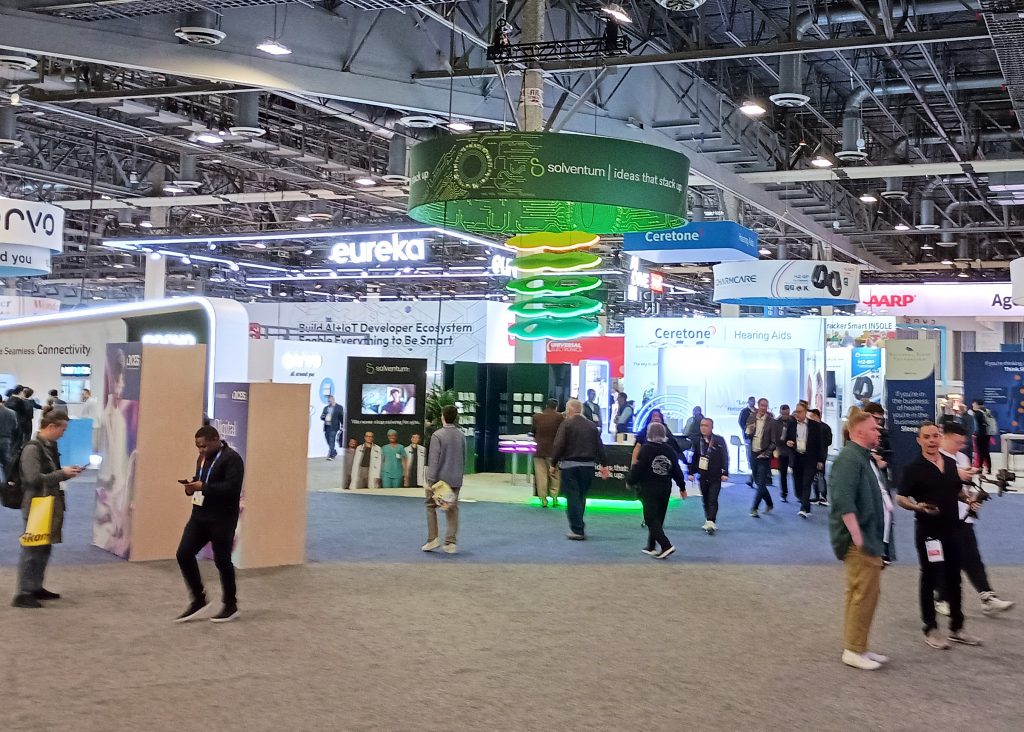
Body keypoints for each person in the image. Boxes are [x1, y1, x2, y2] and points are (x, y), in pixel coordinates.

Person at [896, 422, 981, 649]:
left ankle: (957, 627)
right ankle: (930, 628)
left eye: (935, 436)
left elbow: (956, 491)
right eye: (927, 437)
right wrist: (917, 507)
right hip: (928, 534)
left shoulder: (951, 464)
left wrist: (969, 500)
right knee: (930, 578)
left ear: (940, 438)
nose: (932, 440)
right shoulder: (913, 468)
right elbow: (901, 497)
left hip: (953, 530)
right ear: (919, 440)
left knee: (954, 579)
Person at [828, 410, 889, 670]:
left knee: (867, 593)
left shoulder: (864, 458)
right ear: (859, 432)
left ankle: (859, 646)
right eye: (874, 429)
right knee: (861, 593)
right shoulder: (849, 459)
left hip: (870, 538)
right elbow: (843, 501)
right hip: (860, 540)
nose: (878, 432)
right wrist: (857, 536)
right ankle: (853, 649)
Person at [935, 423, 1014, 616]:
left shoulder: (962, 457)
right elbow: (935, 487)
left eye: (962, 443)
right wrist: (956, 476)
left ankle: (987, 597)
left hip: (964, 517)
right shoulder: (934, 458)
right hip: (941, 518)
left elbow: (967, 487)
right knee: (947, 559)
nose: (960, 447)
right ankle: (941, 598)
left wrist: (972, 500)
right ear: (944, 437)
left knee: (973, 558)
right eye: (956, 442)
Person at [11, 412, 83, 609]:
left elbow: (49, 476)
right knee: (33, 549)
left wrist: (66, 473)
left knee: (44, 547)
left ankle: (35, 586)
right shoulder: (32, 449)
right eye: (62, 429)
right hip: (37, 505)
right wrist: (62, 473)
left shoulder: (49, 447)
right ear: (51, 426)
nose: (63, 433)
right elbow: (32, 479)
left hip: (47, 504)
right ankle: (23, 592)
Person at [174, 425, 245, 623]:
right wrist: (191, 486)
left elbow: (232, 488)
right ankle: (199, 599)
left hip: (222, 518)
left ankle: (231, 605)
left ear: (216, 439)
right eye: (198, 447)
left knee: (222, 561)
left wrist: (203, 487)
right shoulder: (203, 458)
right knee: (183, 554)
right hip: (199, 516)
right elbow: (201, 480)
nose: (201, 450)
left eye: (204, 446)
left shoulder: (232, 459)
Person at [550, 398, 610, 540]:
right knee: (581, 497)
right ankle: (579, 525)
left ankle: (577, 529)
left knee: (572, 497)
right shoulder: (591, 426)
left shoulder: (566, 425)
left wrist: (553, 464)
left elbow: (559, 445)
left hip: (570, 466)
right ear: (581, 410)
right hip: (588, 466)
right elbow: (599, 447)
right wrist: (604, 465)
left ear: (569, 410)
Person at [628, 422, 686, 558]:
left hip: (649, 488)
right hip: (665, 488)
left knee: (650, 518)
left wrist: (630, 481)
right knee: (658, 518)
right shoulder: (669, 450)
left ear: (649, 434)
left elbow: (639, 468)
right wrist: (682, 487)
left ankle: (666, 545)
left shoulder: (646, 449)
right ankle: (651, 546)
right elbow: (677, 470)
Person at [422, 405, 466, 554]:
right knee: (452, 509)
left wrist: (430, 482)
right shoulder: (461, 435)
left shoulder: (438, 435)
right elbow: (464, 458)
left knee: (430, 506)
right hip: (455, 478)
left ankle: (432, 539)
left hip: (440, 481)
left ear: (442, 416)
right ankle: (451, 543)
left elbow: (434, 460)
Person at [689, 417, 728, 535]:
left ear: (712, 427)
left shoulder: (719, 440)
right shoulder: (696, 441)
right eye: (701, 425)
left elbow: (725, 457)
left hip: (715, 475)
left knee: (713, 499)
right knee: (705, 498)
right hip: (702, 475)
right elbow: (694, 457)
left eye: (706, 426)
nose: (703, 428)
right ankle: (708, 518)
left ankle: (711, 520)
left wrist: (725, 472)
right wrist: (691, 472)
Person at [786, 403, 825, 518]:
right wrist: (788, 443)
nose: (797, 414)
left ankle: (803, 508)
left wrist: (820, 460)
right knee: (798, 485)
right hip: (796, 457)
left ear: (805, 412)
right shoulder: (791, 424)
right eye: (796, 411)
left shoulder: (815, 426)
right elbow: (786, 439)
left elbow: (820, 444)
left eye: (799, 412)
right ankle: (805, 503)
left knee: (806, 483)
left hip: (810, 459)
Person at [746, 398, 777, 518]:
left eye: (766, 406)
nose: (764, 408)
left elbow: (774, 441)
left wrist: (767, 452)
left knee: (761, 482)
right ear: (758, 406)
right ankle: (769, 502)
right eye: (762, 405)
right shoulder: (751, 417)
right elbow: (747, 434)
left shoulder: (772, 422)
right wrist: (750, 430)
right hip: (753, 453)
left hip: (764, 455)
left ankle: (754, 507)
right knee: (759, 482)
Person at [532, 399, 564, 508]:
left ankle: (543, 499)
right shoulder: (559, 417)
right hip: (553, 451)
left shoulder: (536, 417)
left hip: (539, 450)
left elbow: (533, 432)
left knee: (541, 476)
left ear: (546, 406)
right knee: (554, 475)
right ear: (556, 407)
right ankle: (554, 498)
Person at [809, 408, 832, 506]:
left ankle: (823, 496)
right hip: (812, 455)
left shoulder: (825, 427)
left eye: (811, 416)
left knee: (821, 475)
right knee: (814, 476)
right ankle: (817, 496)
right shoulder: (811, 427)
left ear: (816, 416)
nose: (810, 418)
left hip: (821, 455)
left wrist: (820, 445)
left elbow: (829, 441)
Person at [774, 404, 792, 502]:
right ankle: (784, 493)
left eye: (787, 414)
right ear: (780, 412)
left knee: (797, 473)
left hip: (793, 451)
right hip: (782, 451)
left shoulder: (792, 421)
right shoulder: (776, 422)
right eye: (784, 414)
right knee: (783, 474)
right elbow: (775, 438)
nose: (786, 415)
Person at [970, 399, 993, 474]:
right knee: (986, 451)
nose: (973, 406)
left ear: (976, 404)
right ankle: (989, 468)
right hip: (987, 434)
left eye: (973, 404)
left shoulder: (977, 413)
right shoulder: (987, 411)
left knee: (980, 452)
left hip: (980, 434)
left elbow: (976, 425)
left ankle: (979, 468)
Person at [738, 396, 756, 485]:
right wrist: (747, 430)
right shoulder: (744, 411)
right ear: (748, 402)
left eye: (754, 401)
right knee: (749, 454)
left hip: (757, 436)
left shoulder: (756, 411)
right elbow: (741, 422)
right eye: (751, 401)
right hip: (748, 436)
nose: (753, 402)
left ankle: (753, 476)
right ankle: (751, 471)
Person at [320, 394, 343, 461]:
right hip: (327, 426)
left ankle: (332, 455)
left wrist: (342, 425)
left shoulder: (339, 407)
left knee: (331, 440)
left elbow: (341, 416)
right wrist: (323, 416)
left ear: (333, 400)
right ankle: (333, 451)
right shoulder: (326, 408)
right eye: (328, 401)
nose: (329, 402)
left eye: (330, 401)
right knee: (328, 440)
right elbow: (322, 416)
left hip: (334, 427)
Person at [80, 387, 101, 452]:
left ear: (87, 394)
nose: (81, 396)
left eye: (83, 394)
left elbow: (89, 414)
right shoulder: (89, 401)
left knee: (93, 442)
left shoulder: (91, 402)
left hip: (92, 425)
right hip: (91, 424)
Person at [0, 399, 17, 477]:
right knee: (6, 462)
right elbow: (15, 427)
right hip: (6, 439)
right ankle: (7, 480)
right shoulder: (12, 412)